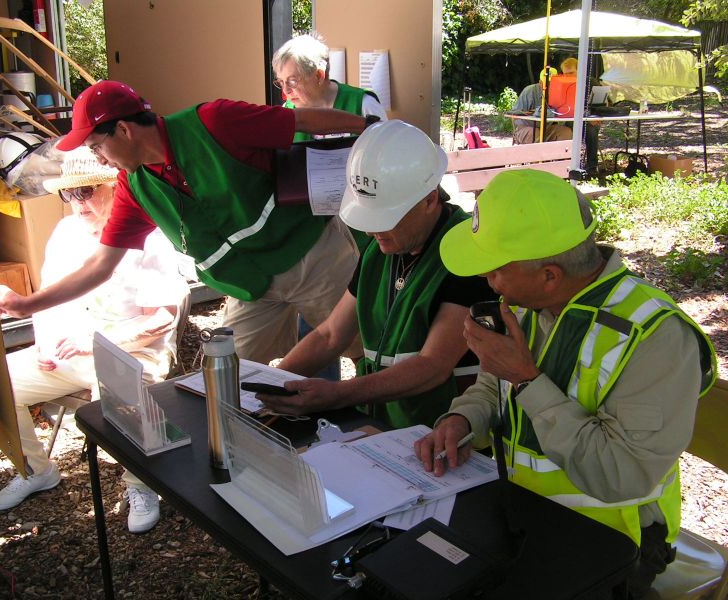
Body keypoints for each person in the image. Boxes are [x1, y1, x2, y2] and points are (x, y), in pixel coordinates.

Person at [414, 169, 717, 597]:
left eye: (495, 269)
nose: (486, 280)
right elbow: (490, 390)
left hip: (613, 539)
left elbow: (620, 475)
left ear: (550, 275)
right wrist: (461, 421)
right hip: (519, 508)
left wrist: (526, 377)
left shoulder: (655, 337)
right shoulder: (522, 305)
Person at [0, 80, 375, 365]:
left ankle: (387, 434)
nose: (98, 159)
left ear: (124, 130)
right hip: (249, 287)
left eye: (96, 146)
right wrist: (29, 304)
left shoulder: (214, 122)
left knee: (365, 348)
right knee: (237, 378)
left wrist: (369, 127)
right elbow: (100, 265)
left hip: (312, 257)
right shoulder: (135, 187)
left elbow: (301, 120)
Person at [0, 147, 190, 534]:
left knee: (123, 391)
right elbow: (48, 297)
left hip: (134, 347)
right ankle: (35, 469)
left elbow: (163, 319)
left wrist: (95, 341)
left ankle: (141, 484)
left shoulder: (147, 233)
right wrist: (45, 341)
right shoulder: (66, 232)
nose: (76, 203)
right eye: (68, 193)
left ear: (114, 186)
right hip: (73, 346)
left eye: (86, 191)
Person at [259, 121, 496, 429]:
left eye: (386, 217)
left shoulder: (466, 254)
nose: (372, 230)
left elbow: (433, 365)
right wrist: (274, 386)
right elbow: (331, 334)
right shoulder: (380, 249)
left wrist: (336, 394)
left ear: (429, 200)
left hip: (440, 435)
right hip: (381, 426)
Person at [272, 32, 388, 376]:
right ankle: (319, 397)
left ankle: (374, 385)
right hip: (312, 233)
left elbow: (383, 158)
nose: (287, 91)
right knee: (315, 317)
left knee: (365, 308)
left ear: (319, 74)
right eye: (281, 82)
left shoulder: (362, 104)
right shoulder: (287, 113)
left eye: (292, 80)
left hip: (361, 231)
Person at [510, 66, 573, 144]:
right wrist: (533, 113)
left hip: (547, 128)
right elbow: (514, 114)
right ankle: (540, 156)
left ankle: (560, 156)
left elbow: (565, 111)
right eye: (547, 83)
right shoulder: (530, 91)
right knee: (534, 133)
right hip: (525, 128)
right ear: (540, 82)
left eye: (553, 83)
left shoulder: (560, 92)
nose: (549, 85)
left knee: (566, 132)